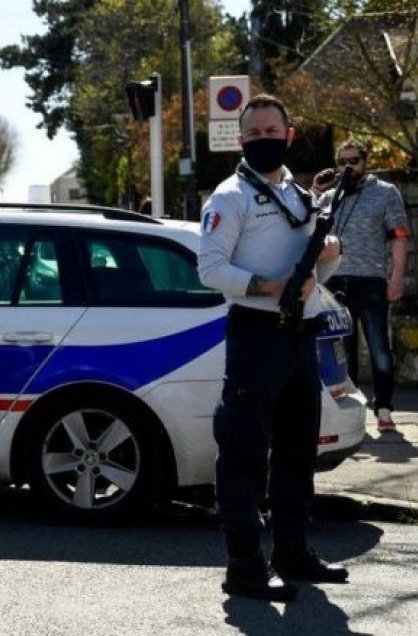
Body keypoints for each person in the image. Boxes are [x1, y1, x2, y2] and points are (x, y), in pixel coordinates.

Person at [198, 94, 349, 602]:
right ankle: (244, 567)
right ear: (241, 141)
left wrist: (327, 257)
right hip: (256, 336)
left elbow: (312, 272)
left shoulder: (296, 193)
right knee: (242, 456)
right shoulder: (228, 197)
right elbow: (211, 269)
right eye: (254, 132)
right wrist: (270, 285)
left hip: (300, 336)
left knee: (295, 452)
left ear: (289, 136)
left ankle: (293, 552)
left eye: (272, 131)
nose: (264, 138)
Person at [312, 139, 410, 432]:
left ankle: (383, 408)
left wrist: (396, 278)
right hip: (334, 281)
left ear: (365, 161)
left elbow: (399, 238)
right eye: (343, 162)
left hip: (371, 280)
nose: (349, 167)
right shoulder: (330, 197)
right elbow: (302, 222)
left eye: (354, 161)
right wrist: (317, 190)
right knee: (343, 350)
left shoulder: (385, 193)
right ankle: (352, 413)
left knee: (380, 347)